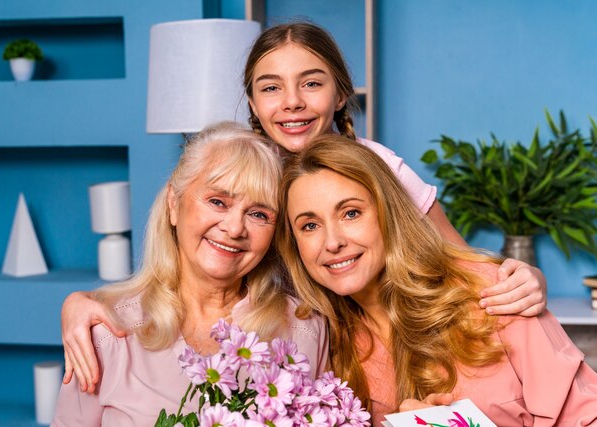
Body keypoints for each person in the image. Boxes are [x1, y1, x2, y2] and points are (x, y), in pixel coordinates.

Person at [61, 21, 547, 393]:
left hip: (400, 353)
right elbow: (181, 264)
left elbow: (461, 265)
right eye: (271, 87)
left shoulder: (378, 167)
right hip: (309, 361)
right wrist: (82, 303)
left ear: (339, 94)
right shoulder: (249, 173)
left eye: (310, 84)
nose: (291, 103)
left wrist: (522, 278)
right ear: (252, 101)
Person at [278, 134, 597, 426]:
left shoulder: (491, 292)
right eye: (309, 226)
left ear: (388, 214)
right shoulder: (322, 345)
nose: (332, 242)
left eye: (351, 213)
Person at [51, 122, 328, 426]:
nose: (235, 228)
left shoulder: (305, 331)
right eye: (218, 201)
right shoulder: (107, 333)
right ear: (173, 202)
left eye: (259, 214)